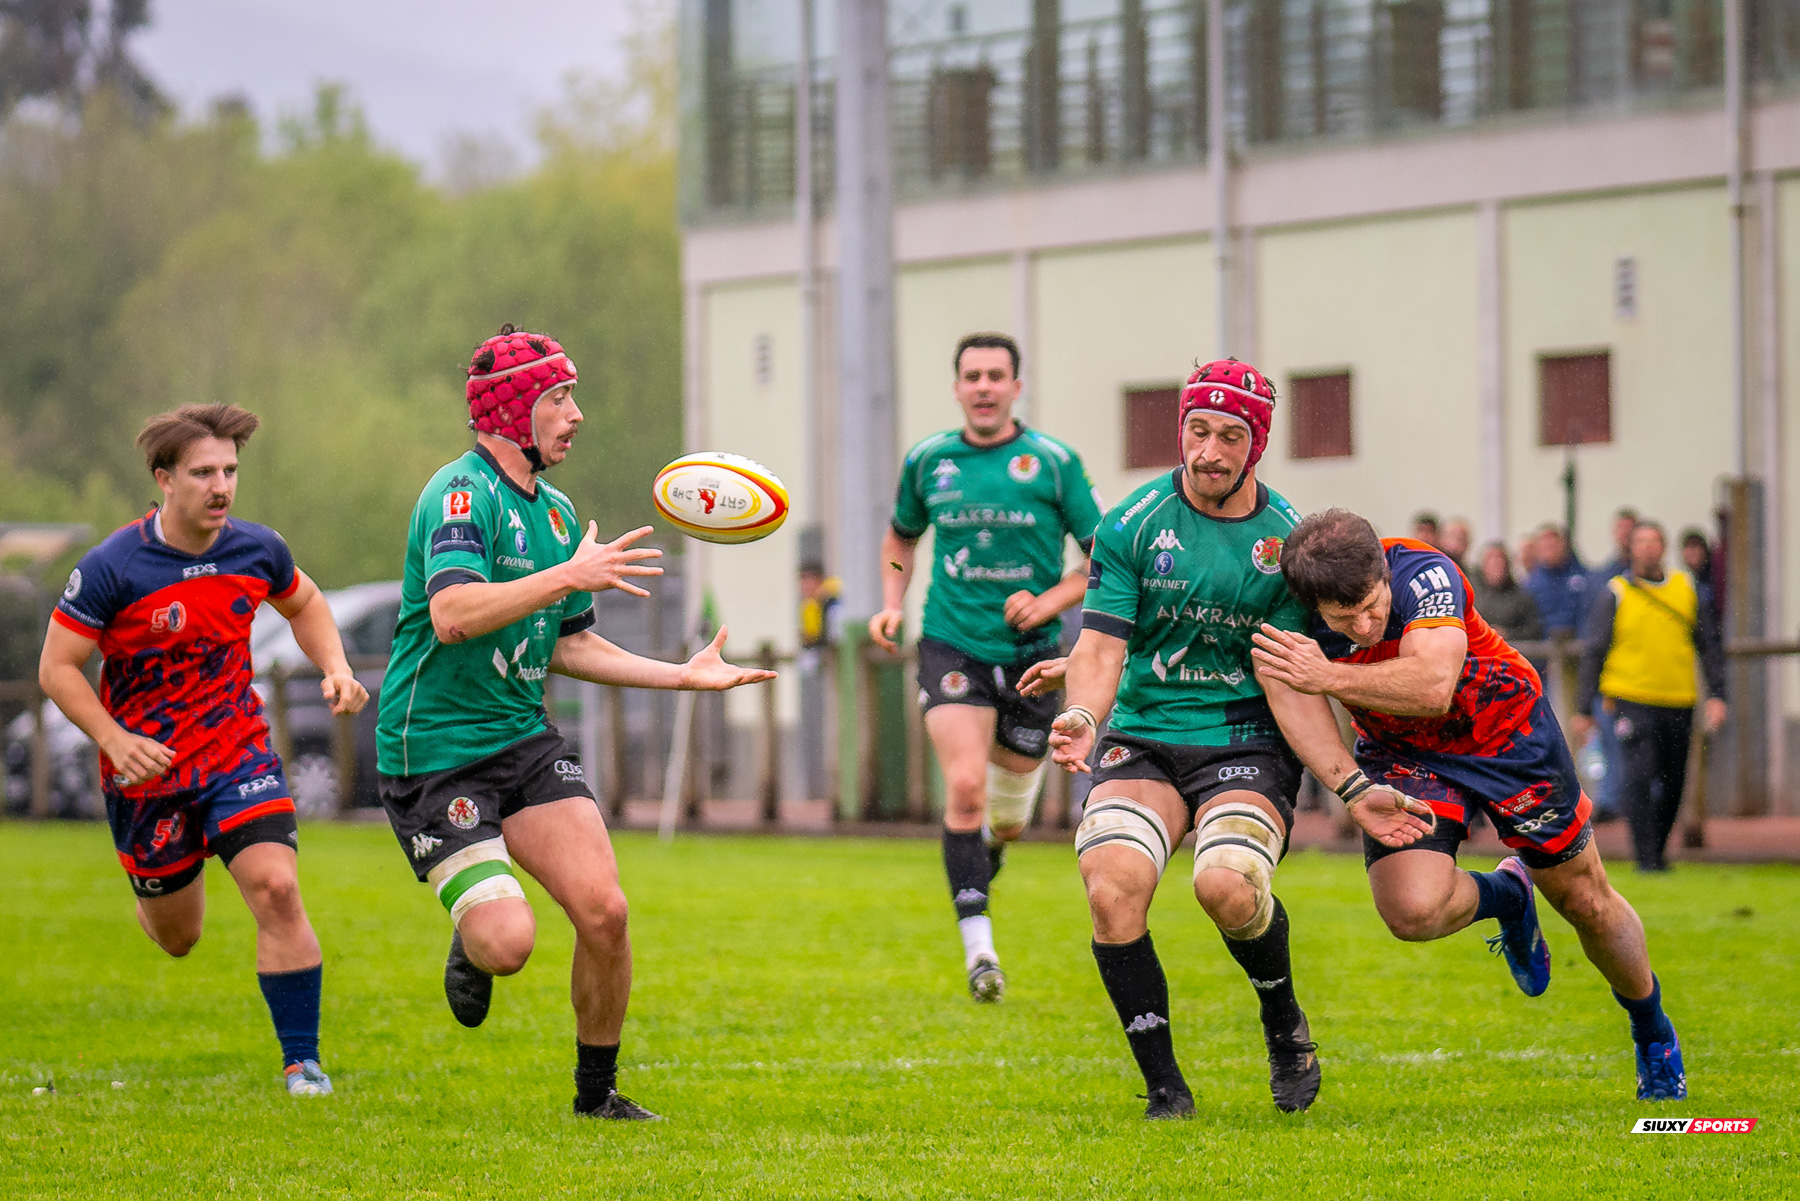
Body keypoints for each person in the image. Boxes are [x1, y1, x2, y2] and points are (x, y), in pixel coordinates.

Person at [374, 325, 774, 1121]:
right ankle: (477, 920)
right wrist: (570, 573)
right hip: (437, 754)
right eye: (559, 398)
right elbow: (453, 613)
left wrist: (682, 676)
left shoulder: (556, 513)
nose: (575, 413)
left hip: (523, 742)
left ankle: (597, 1097)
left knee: (606, 910)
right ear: (511, 412)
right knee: (508, 944)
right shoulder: (459, 496)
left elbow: (572, 642)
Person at [1019, 361, 1434, 1119]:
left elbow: (1292, 680)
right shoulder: (1134, 524)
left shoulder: (1287, 543)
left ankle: (1283, 1023)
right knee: (1111, 885)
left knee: (1226, 884)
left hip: (1246, 738)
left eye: (1230, 435)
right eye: (1197, 430)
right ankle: (1166, 1089)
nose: (1209, 450)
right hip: (1145, 732)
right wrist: (1081, 713)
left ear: (1258, 442)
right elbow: (1105, 648)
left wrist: (1350, 787)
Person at [1250, 509, 1689, 1101]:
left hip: (1506, 735)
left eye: (1372, 606)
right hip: (1402, 750)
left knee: (1584, 899)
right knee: (1411, 912)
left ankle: (1651, 1029)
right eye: (1342, 618)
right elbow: (1289, 693)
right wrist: (1352, 789)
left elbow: (1432, 686)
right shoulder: (1284, 613)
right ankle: (1508, 895)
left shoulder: (1425, 572)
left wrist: (1326, 673)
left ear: (1383, 571)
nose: (1364, 625)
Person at [39, 404, 369, 1098]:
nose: (221, 486)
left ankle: (301, 1062)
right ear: (164, 478)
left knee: (277, 889)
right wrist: (114, 738)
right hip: (148, 771)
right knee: (178, 936)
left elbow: (304, 602)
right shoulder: (112, 566)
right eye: (202, 473)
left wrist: (335, 665)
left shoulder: (256, 549)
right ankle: (154, 879)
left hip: (236, 751)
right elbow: (58, 668)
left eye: (230, 471)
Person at [870, 331, 1104, 1003]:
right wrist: (892, 602)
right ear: (956, 387)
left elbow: (1102, 558)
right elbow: (900, 537)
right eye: (971, 375)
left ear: (1014, 387)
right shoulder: (929, 461)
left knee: (1007, 814)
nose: (982, 386)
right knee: (965, 788)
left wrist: (1052, 600)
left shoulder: (1054, 464)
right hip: (952, 643)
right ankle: (980, 952)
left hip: (1034, 658)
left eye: (995, 375)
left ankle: (992, 848)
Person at [1574, 521, 1728, 873]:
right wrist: (1584, 707)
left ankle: (1657, 850)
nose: (1647, 548)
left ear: (1664, 547)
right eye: (1640, 542)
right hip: (1629, 697)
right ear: (1631, 549)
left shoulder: (1686, 589)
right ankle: (1645, 856)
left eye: (1653, 541)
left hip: (1678, 698)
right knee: (1639, 775)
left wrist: (1718, 694)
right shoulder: (1615, 592)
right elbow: (1594, 650)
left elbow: (1709, 646)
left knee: (1673, 779)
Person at [1468, 541, 1543, 644]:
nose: (1496, 564)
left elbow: (1534, 630)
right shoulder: (1470, 594)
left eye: (1500, 560)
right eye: (1491, 560)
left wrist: (1508, 634)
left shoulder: (1521, 596)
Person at [1524, 524, 1590, 637]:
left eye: (1553, 544)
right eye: (1545, 546)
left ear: (1564, 544)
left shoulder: (1583, 578)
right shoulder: (1529, 586)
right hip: (1541, 648)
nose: (1550, 547)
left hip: (1578, 644)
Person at [1678, 529, 1720, 622]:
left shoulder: (1714, 578)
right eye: (1687, 547)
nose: (1691, 552)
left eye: (1695, 546)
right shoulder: (1686, 580)